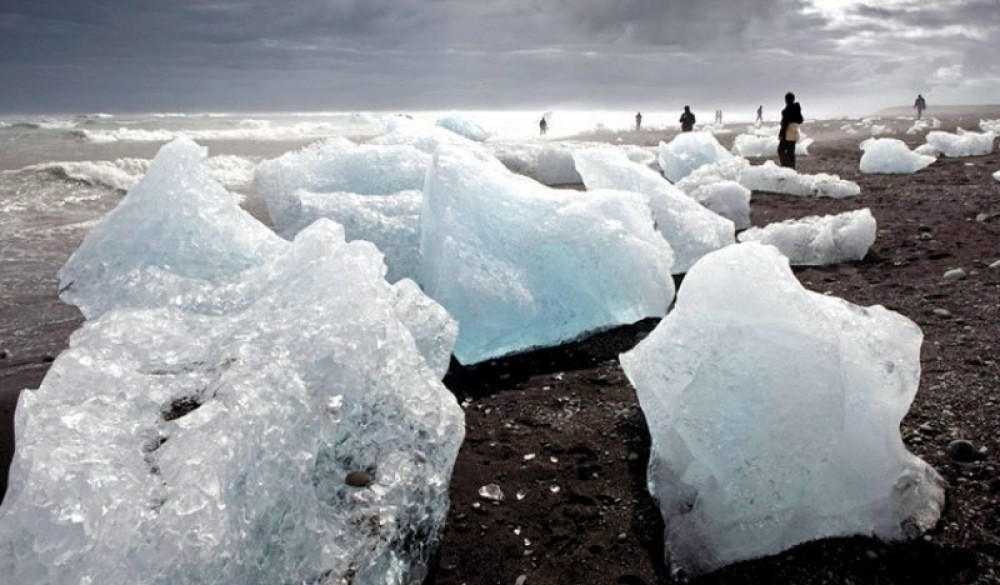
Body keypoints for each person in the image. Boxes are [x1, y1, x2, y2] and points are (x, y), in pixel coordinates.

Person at [778, 92, 803, 169]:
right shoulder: (797, 108)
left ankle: (786, 165)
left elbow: (785, 123)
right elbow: (800, 120)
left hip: (787, 132)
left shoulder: (787, 110)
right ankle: (792, 167)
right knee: (791, 151)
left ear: (786, 100)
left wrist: (781, 133)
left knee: (781, 150)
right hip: (794, 131)